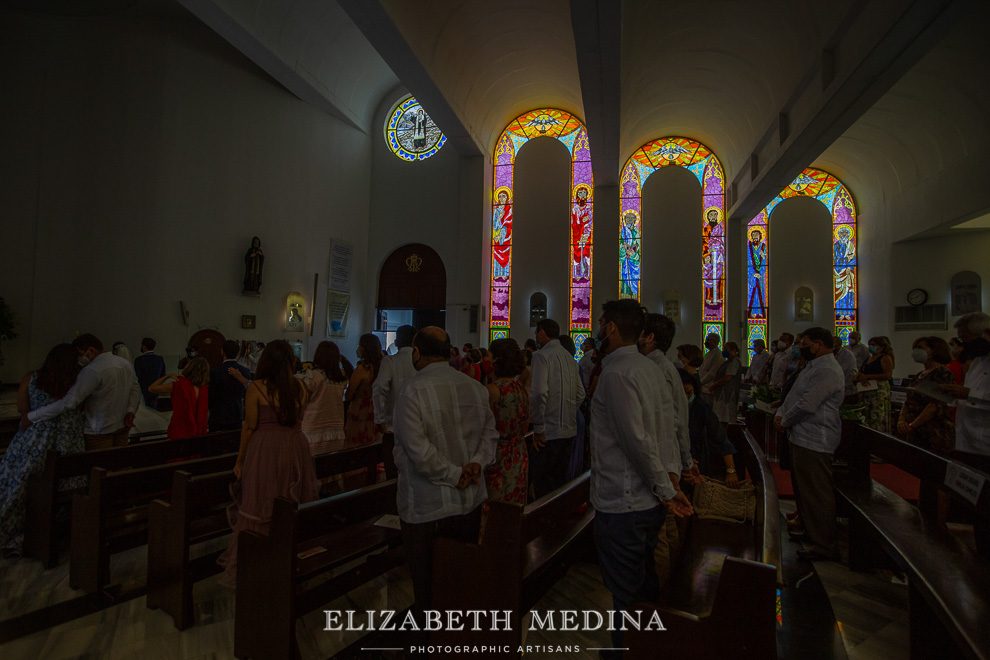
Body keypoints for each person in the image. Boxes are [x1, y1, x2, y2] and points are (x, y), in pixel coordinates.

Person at [590, 300, 693, 656]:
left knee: (627, 592)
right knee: (643, 584)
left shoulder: (619, 373)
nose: (599, 329)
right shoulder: (649, 369)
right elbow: (667, 429)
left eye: (601, 323)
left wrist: (667, 488)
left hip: (625, 501)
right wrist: (670, 482)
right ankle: (645, 647)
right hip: (645, 499)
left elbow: (637, 441)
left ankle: (627, 652)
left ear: (612, 328)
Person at [392, 327, 498, 631]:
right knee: (458, 585)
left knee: (427, 592)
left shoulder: (411, 391)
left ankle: (430, 647)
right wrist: (476, 464)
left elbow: (418, 452)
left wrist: (455, 474)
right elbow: (491, 433)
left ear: (417, 353)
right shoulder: (475, 387)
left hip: (427, 506)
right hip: (469, 503)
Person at [218, 340, 318, 586]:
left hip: (266, 449)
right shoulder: (302, 387)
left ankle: (260, 563)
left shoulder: (256, 388)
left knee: (262, 501)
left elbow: (249, 428)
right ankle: (288, 558)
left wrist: (240, 460)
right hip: (296, 447)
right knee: (290, 500)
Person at [0, 345, 85, 557]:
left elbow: (22, 407)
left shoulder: (32, 377)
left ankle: (15, 529)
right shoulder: (76, 382)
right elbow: (81, 407)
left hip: (36, 439)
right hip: (69, 441)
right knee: (66, 482)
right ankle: (58, 531)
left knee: (19, 481)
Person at [774, 327, 845, 561]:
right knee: (804, 490)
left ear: (819, 344)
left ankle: (824, 543)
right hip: (802, 435)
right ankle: (810, 531)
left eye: (804, 343)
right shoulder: (813, 366)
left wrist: (785, 419)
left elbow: (808, 404)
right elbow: (794, 395)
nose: (801, 347)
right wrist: (781, 413)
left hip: (816, 438)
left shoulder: (828, 370)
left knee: (816, 492)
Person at [22, 334, 141, 450]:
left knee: (100, 466)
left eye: (79, 354)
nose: (78, 359)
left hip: (99, 429)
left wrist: (34, 415)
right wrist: (131, 411)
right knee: (121, 465)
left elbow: (69, 402)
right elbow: (135, 390)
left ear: (90, 350)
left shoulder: (92, 370)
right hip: (122, 425)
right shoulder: (125, 363)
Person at [941, 313, 990, 557]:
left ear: (985, 334)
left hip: (987, 444)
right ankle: (981, 555)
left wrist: (967, 394)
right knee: (979, 508)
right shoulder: (978, 361)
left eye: (966, 339)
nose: (961, 344)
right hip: (970, 442)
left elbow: (974, 395)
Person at [898, 336, 954, 527]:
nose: (916, 351)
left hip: (935, 432)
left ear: (934, 350)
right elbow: (908, 401)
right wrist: (902, 420)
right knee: (925, 477)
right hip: (918, 430)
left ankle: (938, 523)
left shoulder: (943, 375)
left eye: (920, 347)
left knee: (937, 479)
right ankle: (925, 516)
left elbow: (934, 406)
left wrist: (912, 424)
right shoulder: (919, 375)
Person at [529, 318, 585, 499]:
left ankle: (543, 525)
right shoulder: (570, 358)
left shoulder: (541, 356)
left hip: (548, 433)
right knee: (559, 484)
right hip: (568, 431)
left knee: (543, 484)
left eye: (537, 333)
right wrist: (567, 412)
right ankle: (557, 523)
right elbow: (580, 394)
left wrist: (538, 428)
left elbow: (538, 393)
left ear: (542, 333)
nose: (536, 337)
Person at [483, 338, 530, 511]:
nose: (485, 360)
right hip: (518, 453)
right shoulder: (519, 386)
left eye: (488, 355)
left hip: (499, 457)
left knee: (496, 510)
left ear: (496, 360)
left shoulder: (493, 390)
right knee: (513, 509)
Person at [298, 341, 352, 454]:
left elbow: (302, 401)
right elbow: (350, 371)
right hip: (335, 429)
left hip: (313, 429)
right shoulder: (340, 378)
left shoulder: (313, 376)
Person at [373, 324, 417, 443]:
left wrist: (380, 419)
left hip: (393, 426)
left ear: (396, 342)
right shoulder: (421, 362)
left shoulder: (390, 361)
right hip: (418, 427)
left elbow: (379, 389)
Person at [149, 357, 210, 439]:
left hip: (180, 426)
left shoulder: (179, 385)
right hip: (198, 428)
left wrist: (167, 376)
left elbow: (152, 388)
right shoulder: (203, 388)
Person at [345, 334, 382, 444]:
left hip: (360, 410)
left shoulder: (361, 369)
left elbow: (349, 395)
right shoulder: (382, 366)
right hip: (376, 409)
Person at [208, 340, 252, 432]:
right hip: (237, 412)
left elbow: (211, 395)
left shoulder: (215, 372)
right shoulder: (245, 371)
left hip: (218, 414)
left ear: (222, 352)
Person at [855, 336, 894, 433]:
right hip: (867, 391)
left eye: (873, 345)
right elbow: (861, 371)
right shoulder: (868, 358)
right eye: (870, 345)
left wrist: (868, 376)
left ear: (882, 347)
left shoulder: (885, 358)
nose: (870, 347)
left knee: (877, 416)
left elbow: (887, 375)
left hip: (879, 391)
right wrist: (860, 376)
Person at [712, 341, 742, 425]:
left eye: (726, 349)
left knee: (726, 418)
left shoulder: (735, 362)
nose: (724, 351)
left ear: (733, 350)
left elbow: (728, 377)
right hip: (721, 392)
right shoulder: (727, 362)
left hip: (728, 393)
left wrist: (714, 385)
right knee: (720, 418)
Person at [133, 337, 166, 408]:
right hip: (156, 388)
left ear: (144, 347)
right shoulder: (160, 359)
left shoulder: (139, 360)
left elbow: (137, 376)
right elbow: (163, 375)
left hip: (143, 389)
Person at [698, 332, 724, 404]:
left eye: (709, 340)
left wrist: (701, 381)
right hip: (703, 387)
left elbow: (713, 372)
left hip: (709, 387)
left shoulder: (717, 354)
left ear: (715, 341)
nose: (706, 342)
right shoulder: (708, 353)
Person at [832, 336, 859, 401]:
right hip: (837, 390)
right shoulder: (832, 354)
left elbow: (842, 371)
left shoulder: (847, 354)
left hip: (848, 390)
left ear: (838, 344)